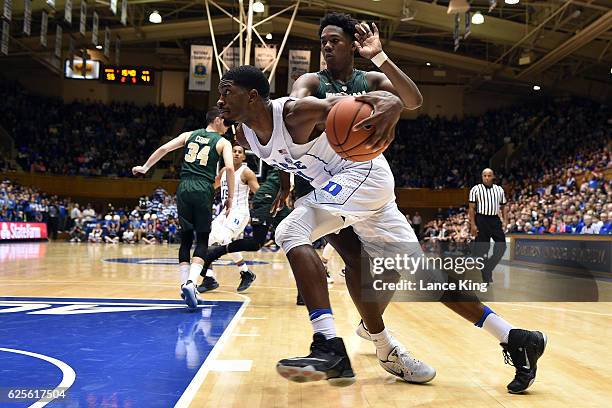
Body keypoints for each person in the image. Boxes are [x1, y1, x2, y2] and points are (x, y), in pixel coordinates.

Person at [217, 64, 546, 393]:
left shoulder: (294, 112)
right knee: (419, 276)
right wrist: (285, 185)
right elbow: (284, 157)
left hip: (363, 174)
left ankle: (329, 344)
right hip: (349, 191)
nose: (220, 100)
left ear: (253, 96)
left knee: (290, 232)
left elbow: (341, 105)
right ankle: (515, 338)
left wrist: (391, 102)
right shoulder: (245, 133)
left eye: (227, 91)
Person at [289, 12, 423, 305]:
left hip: (361, 179)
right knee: (354, 258)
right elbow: (294, 110)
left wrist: (380, 57)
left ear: (352, 45)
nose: (326, 46)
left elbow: (413, 100)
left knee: (394, 264)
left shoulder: (372, 79)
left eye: (334, 40)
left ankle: (371, 325)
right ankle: (331, 327)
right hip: (319, 183)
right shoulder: (311, 81)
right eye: (323, 41)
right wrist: (346, 105)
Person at [132, 107, 234, 310]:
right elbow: (229, 168)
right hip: (203, 188)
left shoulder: (189, 135)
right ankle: (191, 283)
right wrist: (229, 196)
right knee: (203, 239)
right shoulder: (223, 142)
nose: (228, 127)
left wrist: (145, 167)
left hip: (184, 187)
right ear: (217, 119)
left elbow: (164, 149)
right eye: (226, 122)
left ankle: (185, 286)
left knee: (186, 238)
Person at [200, 144, 260, 293]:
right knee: (204, 239)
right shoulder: (224, 171)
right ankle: (209, 278)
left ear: (244, 157)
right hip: (225, 212)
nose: (237, 154)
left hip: (240, 212)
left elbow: (258, 193)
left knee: (223, 238)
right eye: (234, 151)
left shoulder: (247, 173)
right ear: (229, 153)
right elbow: (213, 186)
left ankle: (246, 272)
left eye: (240, 152)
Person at [468, 168, 508, 284]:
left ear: (493, 177)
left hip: (495, 220)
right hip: (481, 219)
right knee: (483, 250)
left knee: (502, 246)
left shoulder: (499, 189)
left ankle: (488, 268)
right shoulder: (475, 189)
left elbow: (504, 206)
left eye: (489, 175)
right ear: (482, 177)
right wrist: (473, 225)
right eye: (484, 175)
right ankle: (486, 277)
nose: (486, 178)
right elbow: (471, 208)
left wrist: (505, 221)